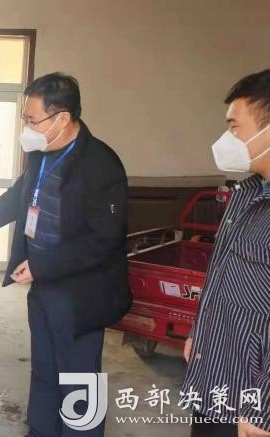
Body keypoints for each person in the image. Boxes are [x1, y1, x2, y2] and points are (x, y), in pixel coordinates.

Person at [0, 73, 131, 437]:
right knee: (45, 370)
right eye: (25, 120)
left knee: (80, 381)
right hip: (43, 285)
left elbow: (104, 239)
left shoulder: (101, 164)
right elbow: (16, 199)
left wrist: (42, 265)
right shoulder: (40, 154)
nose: (27, 129)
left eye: (33, 121)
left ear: (62, 118)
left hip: (80, 295)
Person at [183, 69, 270, 437]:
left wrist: (263, 407)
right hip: (216, 374)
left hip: (253, 400)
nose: (225, 139)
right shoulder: (246, 193)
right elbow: (220, 273)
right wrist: (198, 333)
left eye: (234, 127)